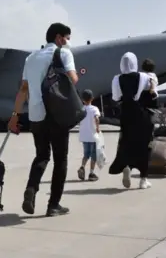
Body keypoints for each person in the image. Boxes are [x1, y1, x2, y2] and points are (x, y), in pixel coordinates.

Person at [8, 22, 78, 217]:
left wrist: (14, 116)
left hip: (36, 114)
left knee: (41, 156)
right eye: (67, 38)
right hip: (57, 113)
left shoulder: (30, 58)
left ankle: (30, 191)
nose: (68, 42)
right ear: (58, 38)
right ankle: (53, 205)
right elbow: (73, 79)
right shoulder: (63, 54)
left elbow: (23, 89)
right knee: (60, 159)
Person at [108, 52, 157, 190]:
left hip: (126, 115)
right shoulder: (144, 77)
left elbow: (116, 97)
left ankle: (127, 166)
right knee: (145, 145)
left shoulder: (117, 79)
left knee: (127, 143)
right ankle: (143, 179)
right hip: (142, 115)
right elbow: (153, 94)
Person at [77, 89, 101, 182]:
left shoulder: (81, 109)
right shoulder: (94, 109)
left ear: (83, 100)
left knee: (86, 154)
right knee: (93, 155)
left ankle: (82, 167)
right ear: (92, 98)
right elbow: (96, 118)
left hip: (84, 135)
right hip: (93, 135)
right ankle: (91, 173)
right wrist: (98, 128)